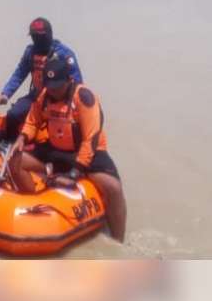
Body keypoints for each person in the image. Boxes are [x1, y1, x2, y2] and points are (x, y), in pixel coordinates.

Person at [9, 57, 127, 242]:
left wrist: (74, 174)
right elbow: (33, 120)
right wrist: (22, 138)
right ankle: (33, 204)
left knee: (113, 188)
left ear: (69, 80)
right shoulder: (45, 95)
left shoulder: (85, 98)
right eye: (50, 86)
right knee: (15, 159)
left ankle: (119, 240)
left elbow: (91, 138)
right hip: (55, 148)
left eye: (58, 86)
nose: (54, 90)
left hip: (86, 153)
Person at [0, 17, 82, 140]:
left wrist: (74, 105)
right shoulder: (30, 52)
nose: (37, 40)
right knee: (13, 115)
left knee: (64, 122)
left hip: (60, 98)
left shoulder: (65, 54)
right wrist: (6, 93)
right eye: (34, 37)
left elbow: (77, 82)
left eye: (40, 37)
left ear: (49, 34)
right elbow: (19, 73)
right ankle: (9, 144)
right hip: (36, 95)